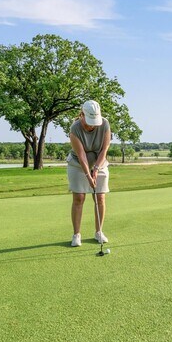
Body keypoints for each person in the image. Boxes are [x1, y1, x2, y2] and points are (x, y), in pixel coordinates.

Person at [67, 100, 111, 247]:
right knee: (79, 197)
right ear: (82, 115)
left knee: (100, 197)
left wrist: (96, 170)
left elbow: (104, 150)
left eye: (94, 122)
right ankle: (76, 235)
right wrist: (88, 175)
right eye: (89, 121)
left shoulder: (104, 124)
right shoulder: (75, 128)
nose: (92, 125)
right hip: (78, 164)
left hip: (100, 161)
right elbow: (82, 156)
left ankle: (99, 232)